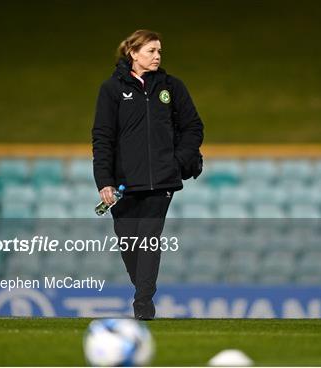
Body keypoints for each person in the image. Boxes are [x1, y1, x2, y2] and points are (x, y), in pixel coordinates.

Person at [92, 30, 204, 320]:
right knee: (128, 242)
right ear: (133, 53)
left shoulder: (172, 87)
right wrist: (104, 181)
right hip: (124, 184)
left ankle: (143, 303)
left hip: (162, 183)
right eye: (151, 51)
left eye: (159, 52)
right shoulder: (112, 90)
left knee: (149, 238)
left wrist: (175, 162)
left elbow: (193, 128)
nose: (157, 56)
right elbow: (102, 137)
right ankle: (141, 289)